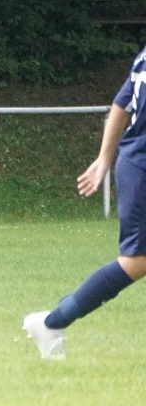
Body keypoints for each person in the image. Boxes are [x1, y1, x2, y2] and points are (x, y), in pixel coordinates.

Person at [22, 45, 146, 359]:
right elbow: (122, 104)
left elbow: (121, 103)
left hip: (135, 163)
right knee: (136, 261)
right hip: (142, 168)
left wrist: (105, 158)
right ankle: (51, 323)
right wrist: (103, 158)